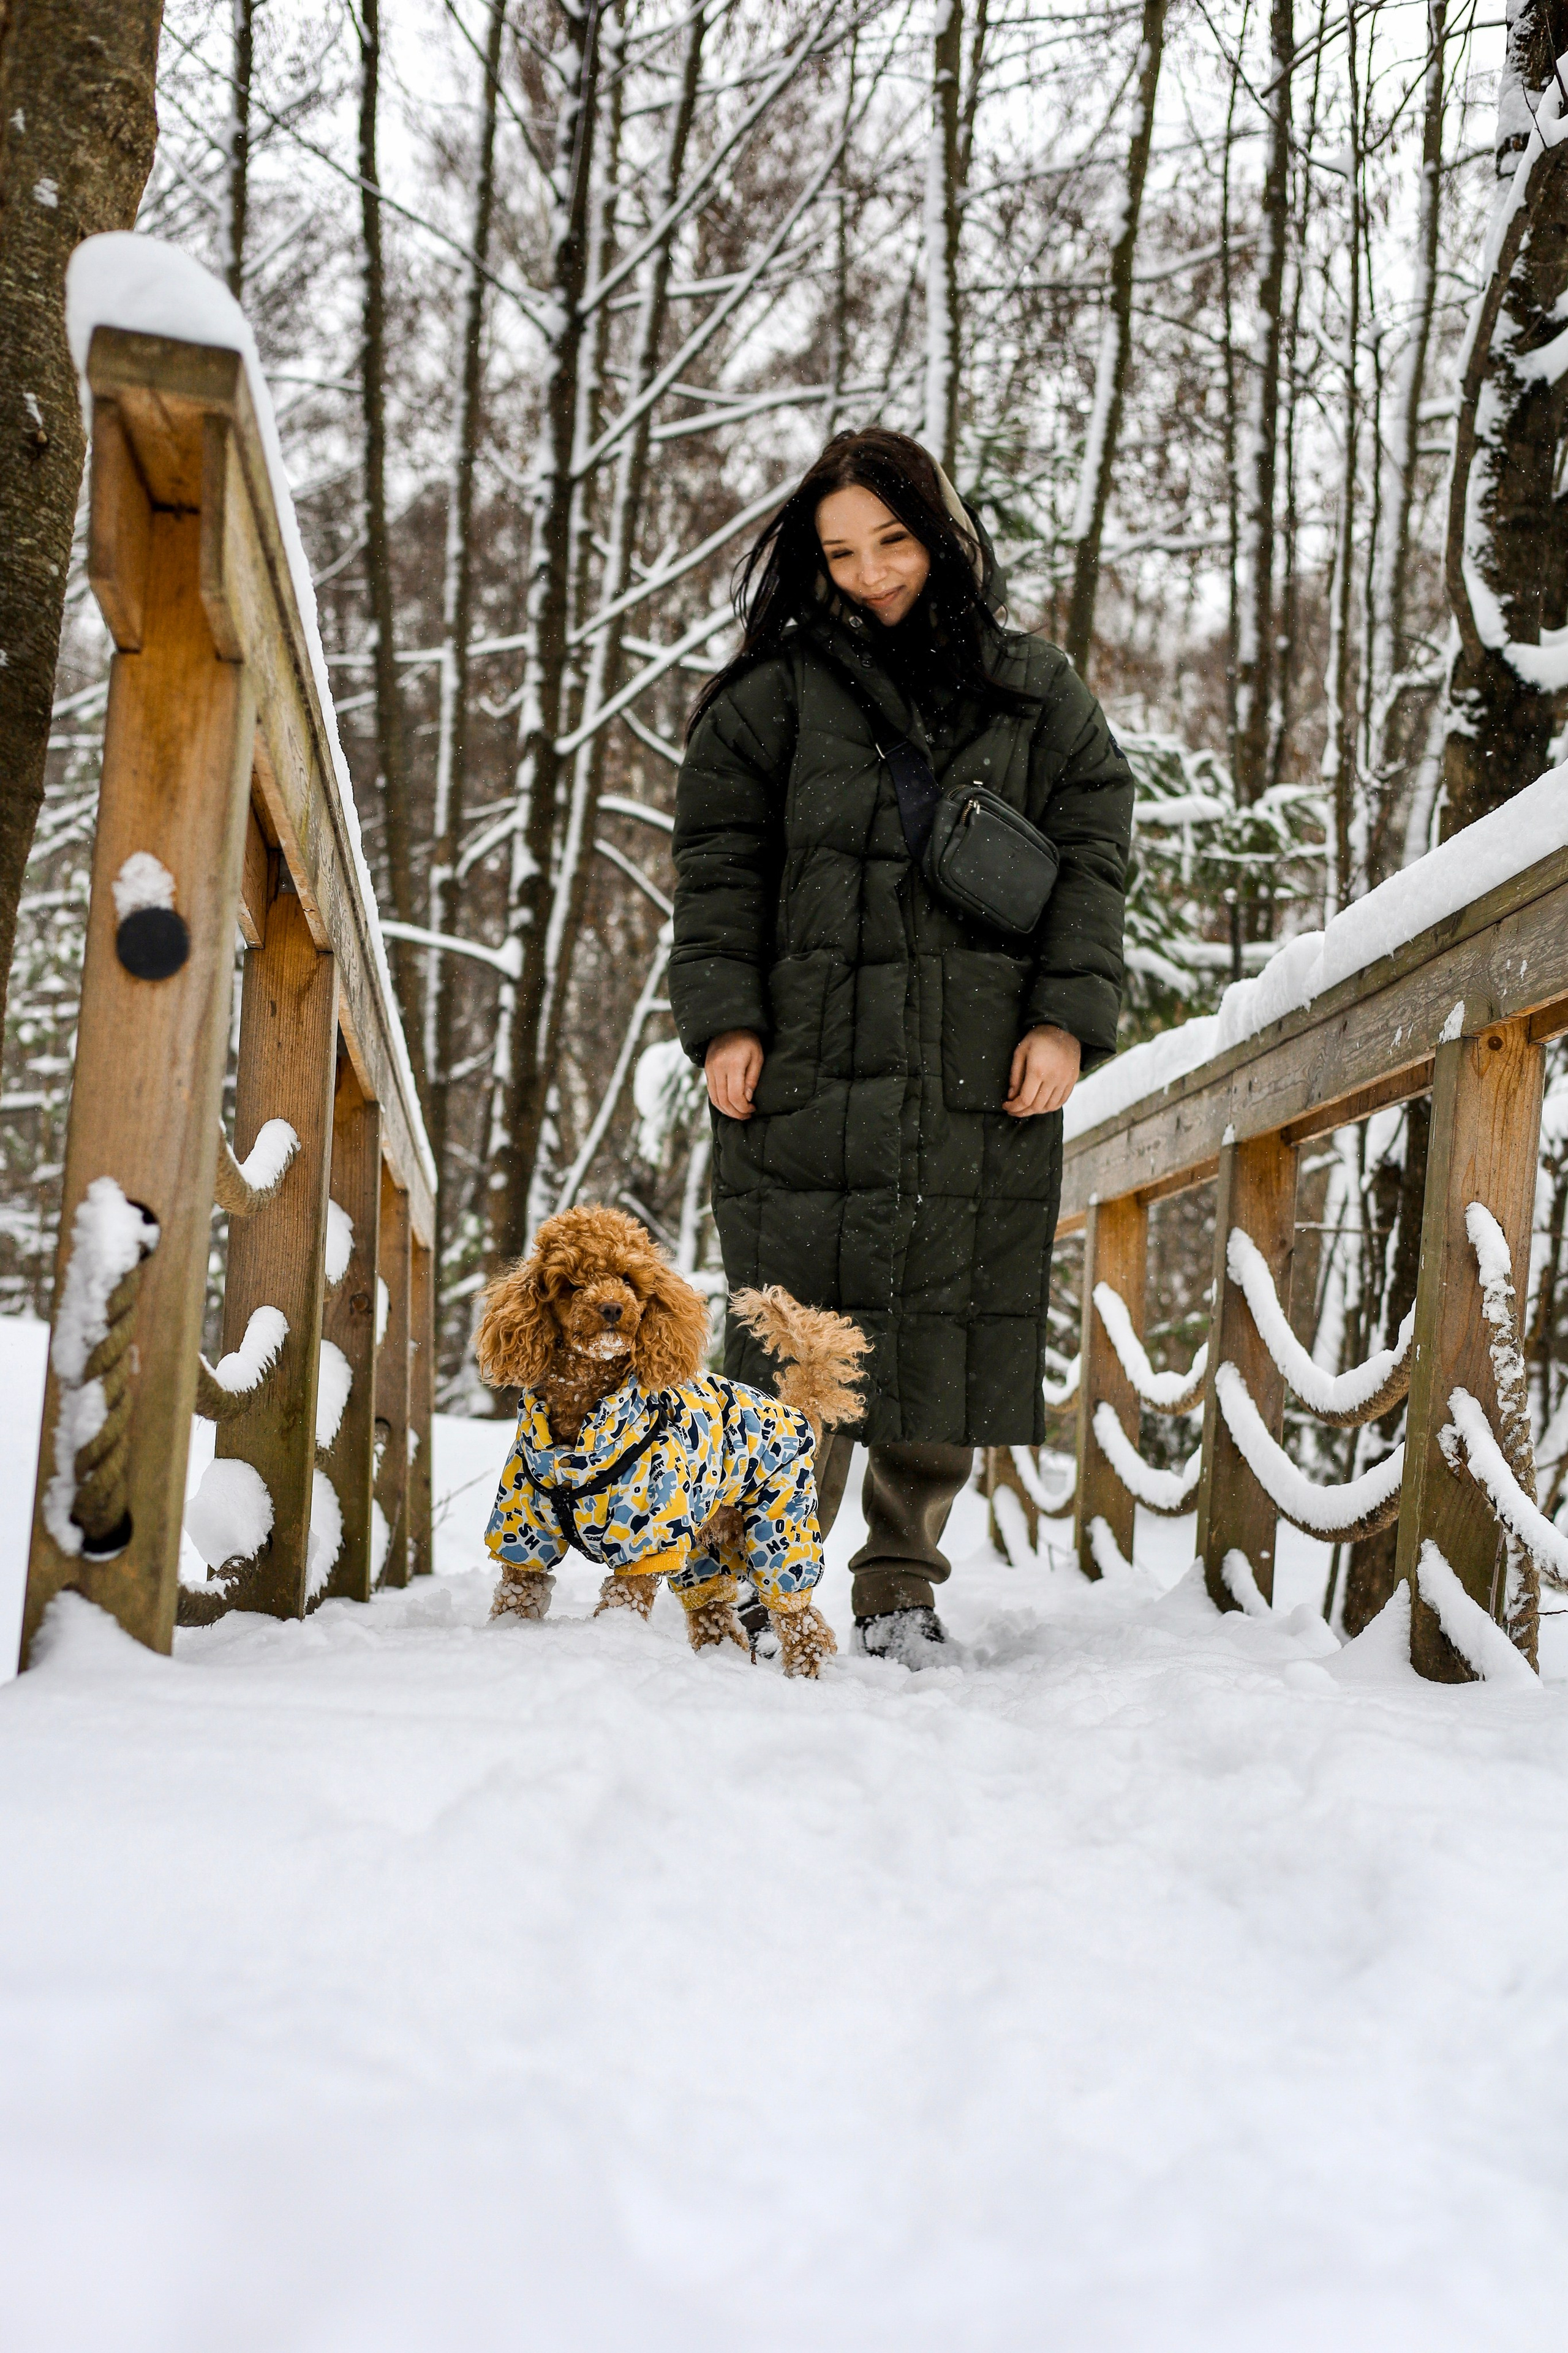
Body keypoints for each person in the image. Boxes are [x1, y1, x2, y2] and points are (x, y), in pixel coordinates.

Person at [668, 428, 1132, 1665]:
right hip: (805, 1055)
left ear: (936, 532)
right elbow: (718, 869)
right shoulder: (764, 701)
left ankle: (898, 1583)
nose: (870, 572)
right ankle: (767, 1578)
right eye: (840, 550)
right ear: (807, 557)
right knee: (793, 1325)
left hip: (977, 1059)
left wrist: (1061, 1019)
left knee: (943, 1317)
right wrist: (724, 1018)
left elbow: (1092, 853)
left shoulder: (1033, 689)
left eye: (891, 540)